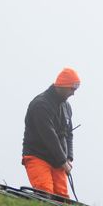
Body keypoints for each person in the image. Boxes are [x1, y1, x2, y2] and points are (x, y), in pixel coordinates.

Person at [21, 67, 80, 198]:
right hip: (37, 156)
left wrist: (69, 157)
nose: (73, 94)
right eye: (72, 89)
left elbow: (69, 134)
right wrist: (63, 161)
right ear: (62, 86)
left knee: (62, 199)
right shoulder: (40, 105)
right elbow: (49, 136)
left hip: (58, 160)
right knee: (45, 193)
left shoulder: (67, 107)